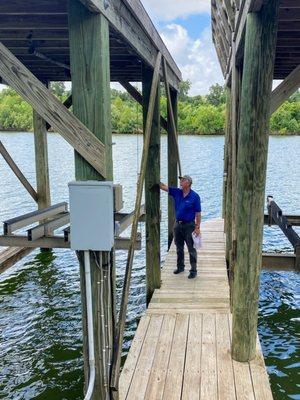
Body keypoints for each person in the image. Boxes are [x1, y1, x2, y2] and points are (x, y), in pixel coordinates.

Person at [159, 175, 201, 279]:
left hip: (189, 225)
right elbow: (164, 187)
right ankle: (180, 267)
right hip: (178, 224)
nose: (181, 181)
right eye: (180, 180)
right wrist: (156, 180)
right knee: (179, 247)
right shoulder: (177, 192)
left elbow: (198, 213)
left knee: (191, 248)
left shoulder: (195, 196)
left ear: (189, 183)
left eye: (183, 180)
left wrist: (197, 227)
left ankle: (193, 270)